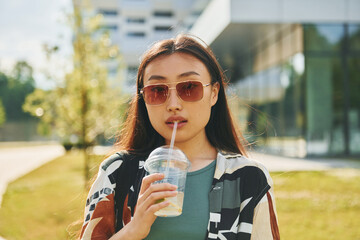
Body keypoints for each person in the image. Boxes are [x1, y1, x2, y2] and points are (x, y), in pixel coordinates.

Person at [79, 34, 280, 240]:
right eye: (157, 90)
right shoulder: (117, 172)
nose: (173, 104)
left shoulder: (249, 178)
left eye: (189, 87)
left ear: (214, 93)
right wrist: (134, 229)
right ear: (143, 99)